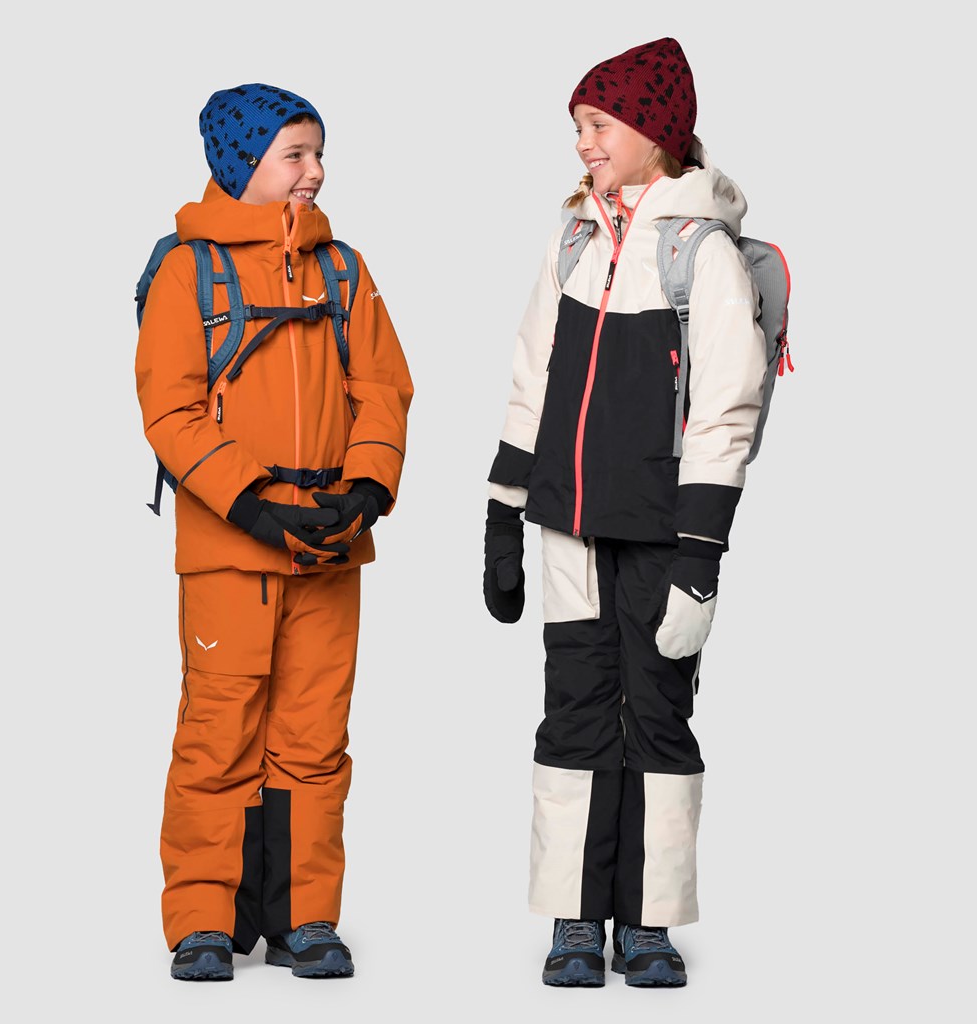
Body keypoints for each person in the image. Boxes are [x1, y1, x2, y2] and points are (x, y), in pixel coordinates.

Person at [483, 39, 768, 988]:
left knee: (657, 712)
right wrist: (502, 512)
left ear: (654, 130)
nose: (584, 145)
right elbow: (532, 377)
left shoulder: (701, 254)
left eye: (599, 125)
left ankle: (646, 922)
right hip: (567, 527)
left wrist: (700, 558)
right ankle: (576, 914)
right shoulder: (573, 239)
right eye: (578, 128)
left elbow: (726, 412)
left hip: (660, 534)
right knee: (572, 712)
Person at [135, 83, 413, 981]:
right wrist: (252, 503)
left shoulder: (344, 271)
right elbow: (171, 410)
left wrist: (366, 487)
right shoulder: (188, 270)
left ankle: (304, 917)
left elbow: (384, 388)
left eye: (318, 153)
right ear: (243, 163)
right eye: (295, 154)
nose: (315, 171)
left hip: (330, 546)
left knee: (315, 736)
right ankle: (204, 921)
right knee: (219, 731)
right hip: (231, 549)